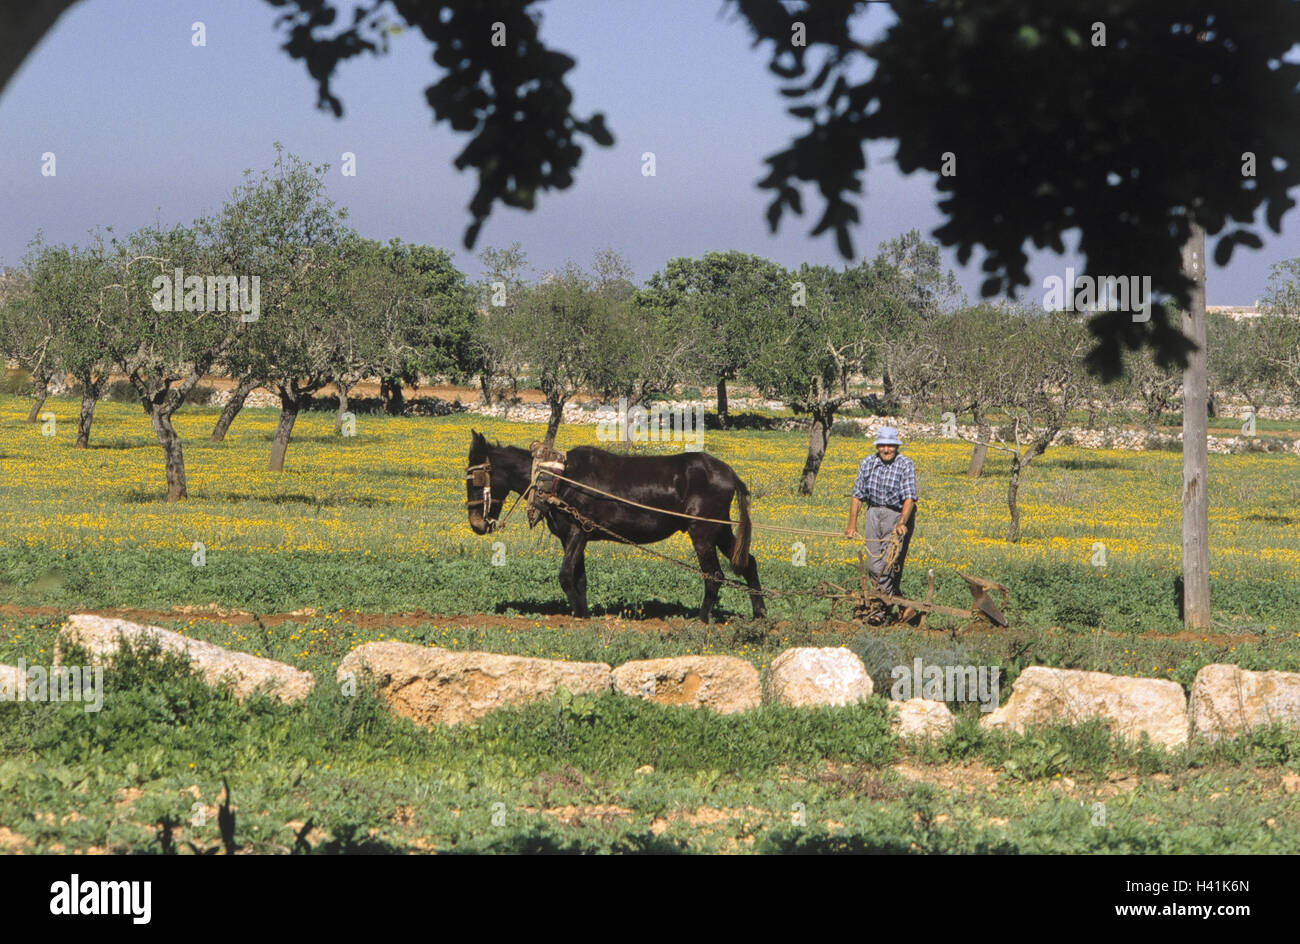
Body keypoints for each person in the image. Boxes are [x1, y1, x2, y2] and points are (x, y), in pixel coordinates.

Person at [844, 427, 918, 624]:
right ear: (877, 446)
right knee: (873, 565)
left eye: (890, 446)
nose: (886, 450)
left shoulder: (905, 464)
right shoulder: (868, 463)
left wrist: (901, 522)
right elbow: (857, 495)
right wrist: (852, 525)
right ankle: (903, 605)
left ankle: (879, 611)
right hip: (873, 513)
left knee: (888, 565)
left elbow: (909, 498)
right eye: (883, 446)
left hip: (897, 514)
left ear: (896, 446)